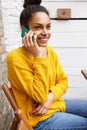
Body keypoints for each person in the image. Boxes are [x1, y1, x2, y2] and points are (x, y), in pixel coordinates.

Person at [6, 0, 87, 129]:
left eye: (48, 26)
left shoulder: (50, 51)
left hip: (54, 103)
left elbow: (63, 81)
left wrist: (50, 98)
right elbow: (39, 96)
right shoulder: (15, 58)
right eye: (38, 27)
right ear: (24, 29)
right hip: (39, 119)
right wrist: (39, 57)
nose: (46, 32)